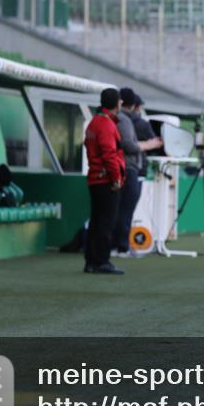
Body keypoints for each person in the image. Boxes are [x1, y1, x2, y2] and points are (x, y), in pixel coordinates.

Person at [113, 88, 164, 256]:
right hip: (133, 169)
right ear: (135, 106)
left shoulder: (111, 119)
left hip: (113, 168)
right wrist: (148, 145)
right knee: (127, 210)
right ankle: (122, 247)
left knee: (116, 209)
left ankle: (115, 245)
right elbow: (133, 146)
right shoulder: (137, 123)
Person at [84, 88, 126, 275]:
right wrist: (116, 178)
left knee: (96, 221)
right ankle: (102, 261)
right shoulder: (107, 125)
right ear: (116, 103)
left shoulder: (94, 123)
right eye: (120, 101)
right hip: (105, 180)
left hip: (95, 178)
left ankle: (92, 261)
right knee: (105, 223)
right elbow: (110, 155)